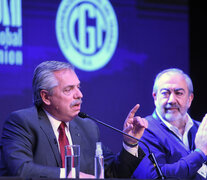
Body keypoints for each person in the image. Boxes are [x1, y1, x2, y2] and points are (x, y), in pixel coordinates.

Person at [0, 60, 148, 178]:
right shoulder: (21, 122)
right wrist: (69, 175)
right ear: (46, 97)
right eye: (68, 89)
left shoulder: (87, 127)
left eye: (78, 87)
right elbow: (20, 170)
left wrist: (130, 143)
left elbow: (113, 174)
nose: (79, 94)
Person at [133, 68, 207, 180]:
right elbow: (157, 176)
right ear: (155, 97)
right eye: (165, 93)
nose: (172, 100)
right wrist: (200, 153)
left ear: (190, 99)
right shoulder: (142, 130)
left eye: (179, 93)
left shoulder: (202, 130)